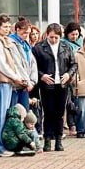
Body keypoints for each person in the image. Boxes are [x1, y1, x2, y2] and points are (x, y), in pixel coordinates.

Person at [0, 14, 25, 154]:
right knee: (0, 115)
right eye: (4, 26)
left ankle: (2, 144)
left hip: (7, 81)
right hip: (0, 82)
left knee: (4, 114)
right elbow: (1, 64)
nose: (7, 29)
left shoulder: (5, 41)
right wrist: (15, 77)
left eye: (9, 26)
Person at [33, 23, 74, 152]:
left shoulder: (66, 47)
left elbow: (73, 64)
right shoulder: (39, 48)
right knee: (48, 112)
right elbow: (33, 67)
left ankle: (58, 140)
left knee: (60, 113)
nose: (54, 40)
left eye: (56, 37)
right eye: (51, 37)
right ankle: (47, 139)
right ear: (47, 35)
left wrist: (68, 74)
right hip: (47, 85)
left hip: (62, 84)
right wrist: (42, 76)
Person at [10, 17, 38, 112]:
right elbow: (17, 64)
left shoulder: (26, 44)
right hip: (17, 84)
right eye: (25, 33)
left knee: (25, 112)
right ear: (18, 30)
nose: (27, 35)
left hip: (26, 85)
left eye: (28, 33)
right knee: (14, 113)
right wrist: (27, 81)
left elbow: (32, 63)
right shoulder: (12, 42)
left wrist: (33, 81)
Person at [60, 23, 83, 133]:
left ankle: (78, 123)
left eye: (76, 34)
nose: (74, 37)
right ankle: (71, 124)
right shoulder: (63, 44)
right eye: (72, 34)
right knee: (69, 101)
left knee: (77, 101)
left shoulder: (82, 43)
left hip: (80, 76)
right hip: (68, 75)